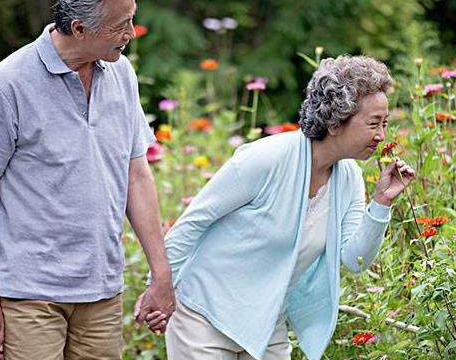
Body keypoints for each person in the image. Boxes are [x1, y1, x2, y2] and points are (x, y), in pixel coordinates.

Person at [0, 0, 175, 360]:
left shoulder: (122, 75)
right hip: (29, 296)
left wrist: (160, 272)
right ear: (79, 28)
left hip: (102, 291)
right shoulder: (8, 85)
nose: (131, 32)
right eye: (120, 24)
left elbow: (136, 176)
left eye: (131, 17)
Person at [159, 55, 416, 360]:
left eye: (385, 124)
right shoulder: (265, 158)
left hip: (266, 325)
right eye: (373, 124)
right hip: (204, 319)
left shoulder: (349, 178)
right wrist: (159, 291)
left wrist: (381, 203)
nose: (381, 136)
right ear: (335, 122)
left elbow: (355, 260)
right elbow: (192, 223)